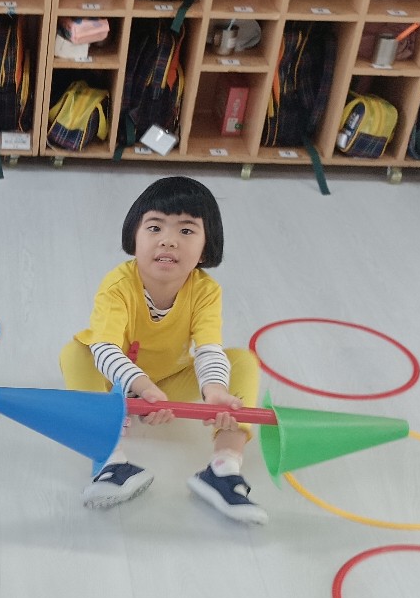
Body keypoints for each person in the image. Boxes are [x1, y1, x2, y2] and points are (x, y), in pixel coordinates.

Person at [59, 175, 266, 525]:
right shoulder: (118, 285)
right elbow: (105, 349)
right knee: (75, 353)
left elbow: (209, 349)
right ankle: (110, 462)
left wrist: (215, 391)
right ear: (134, 237)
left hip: (167, 385)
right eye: (155, 227)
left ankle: (224, 467)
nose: (168, 240)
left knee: (242, 361)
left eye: (186, 230)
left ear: (206, 247)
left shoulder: (206, 291)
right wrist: (141, 387)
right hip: (115, 385)